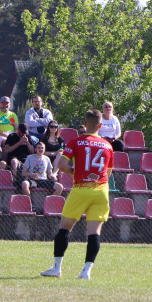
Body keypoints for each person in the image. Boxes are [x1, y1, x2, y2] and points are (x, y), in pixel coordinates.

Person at [40, 108, 114, 280]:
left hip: (81, 188)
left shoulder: (75, 142)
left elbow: (63, 165)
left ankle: (57, 268)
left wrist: (77, 171)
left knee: (64, 228)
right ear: (100, 125)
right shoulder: (108, 146)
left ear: (85, 124)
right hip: (101, 190)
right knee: (94, 232)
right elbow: (108, 173)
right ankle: (86, 271)